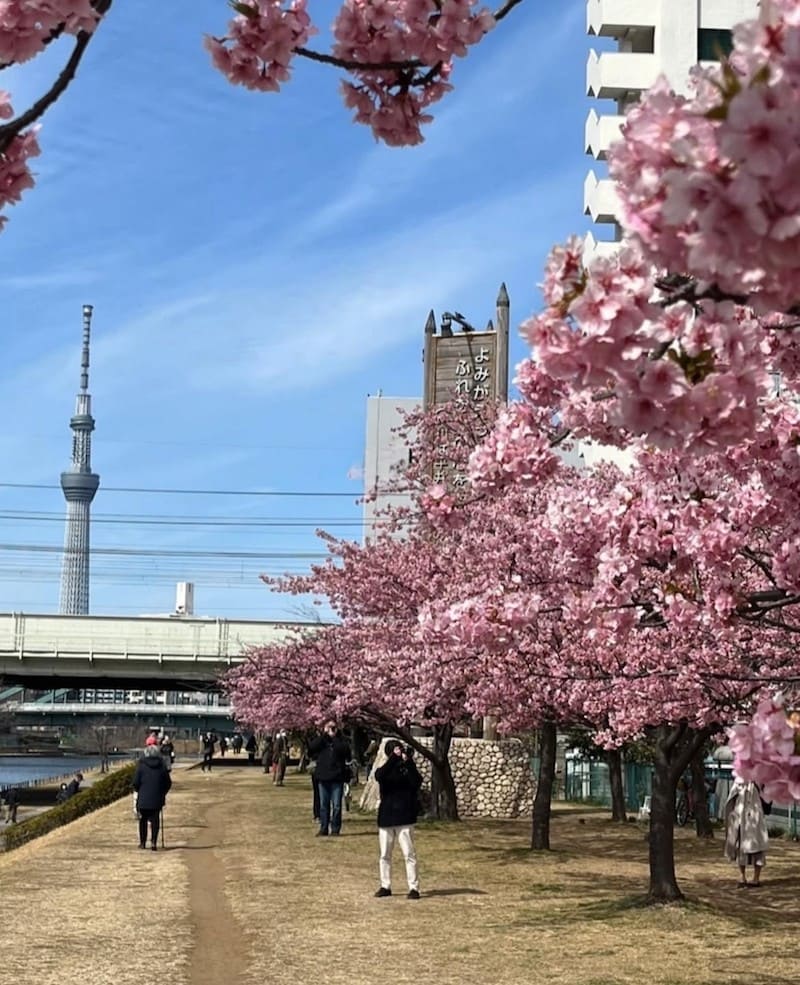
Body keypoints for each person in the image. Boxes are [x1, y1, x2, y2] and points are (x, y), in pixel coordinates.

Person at [373, 739, 422, 899]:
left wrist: (408, 762)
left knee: (409, 853)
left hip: (405, 816)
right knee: (385, 854)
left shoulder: (406, 768)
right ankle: (385, 885)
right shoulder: (385, 769)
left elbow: (417, 781)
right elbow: (379, 776)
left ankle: (413, 887)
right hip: (387, 816)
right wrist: (393, 759)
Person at [308, 719, 351, 837]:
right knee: (323, 805)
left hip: (337, 777)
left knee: (337, 805)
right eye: (329, 727)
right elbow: (312, 748)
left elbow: (345, 751)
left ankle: (335, 829)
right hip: (323, 777)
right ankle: (324, 828)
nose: (331, 729)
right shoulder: (322, 742)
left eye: (333, 727)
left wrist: (335, 737)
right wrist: (324, 735)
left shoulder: (341, 740)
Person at [724, 777, 769, 888]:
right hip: (741, 818)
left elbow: (767, 796)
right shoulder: (739, 780)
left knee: (758, 847)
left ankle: (756, 878)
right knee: (740, 848)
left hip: (756, 818)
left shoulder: (761, 778)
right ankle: (742, 876)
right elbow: (732, 798)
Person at [132, 744, 172, 851]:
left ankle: (143, 842)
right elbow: (168, 783)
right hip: (157, 798)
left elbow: (135, 782)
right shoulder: (162, 766)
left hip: (143, 798)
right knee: (155, 820)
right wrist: (162, 792)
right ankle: (154, 842)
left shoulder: (141, 766)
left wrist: (138, 790)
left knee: (143, 820)